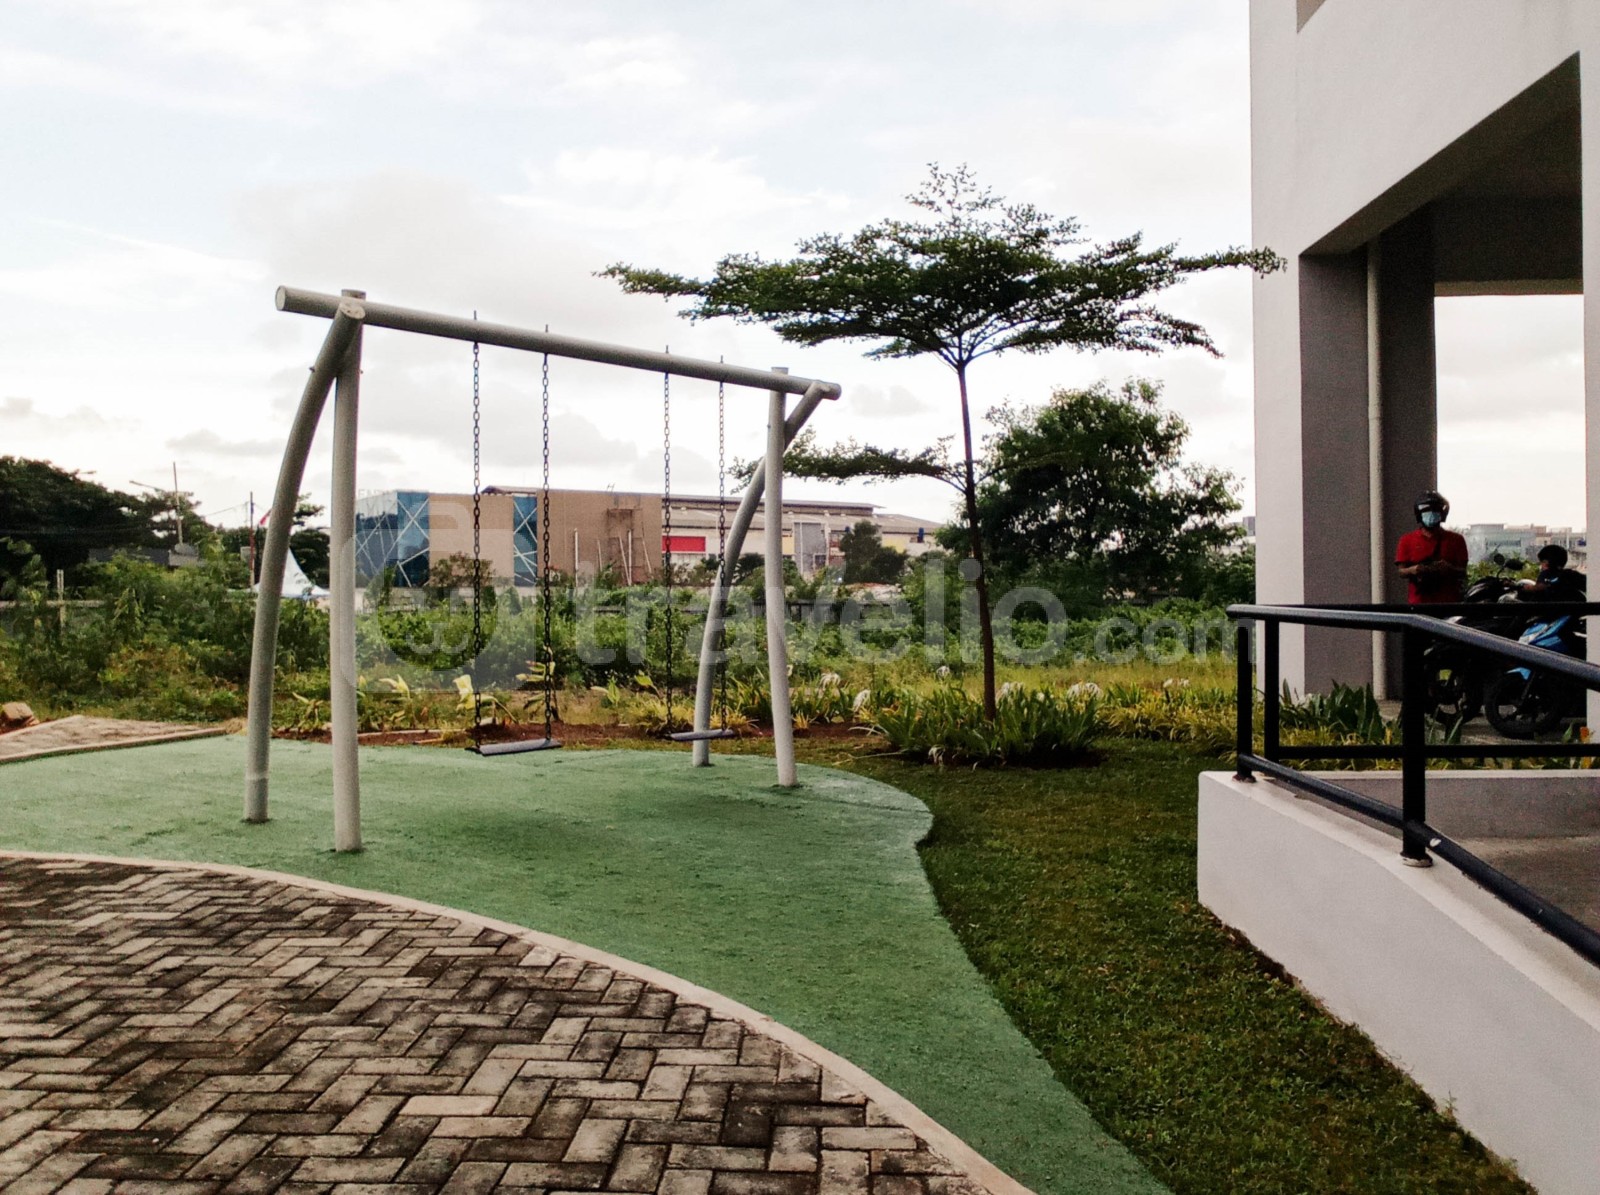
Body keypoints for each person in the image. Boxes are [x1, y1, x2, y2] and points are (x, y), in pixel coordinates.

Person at [1396, 490, 1468, 604]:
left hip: (1449, 603)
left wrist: (1448, 568)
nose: (1431, 514)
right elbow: (1401, 571)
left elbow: (1463, 571)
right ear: (1419, 515)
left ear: (1442, 514)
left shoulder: (1456, 540)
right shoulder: (1406, 540)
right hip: (1418, 604)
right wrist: (1415, 570)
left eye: (1435, 510)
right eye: (1427, 511)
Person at [1517, 543, 1586, 602]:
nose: (1541, 566)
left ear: (1547, 562)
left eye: (1543, 562)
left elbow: (1544, 586)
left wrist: (1530, 588)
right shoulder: (1571, 575)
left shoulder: (1547, 575)